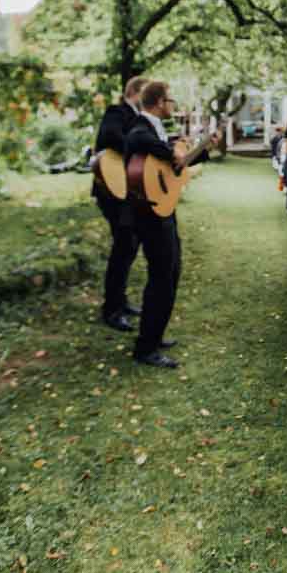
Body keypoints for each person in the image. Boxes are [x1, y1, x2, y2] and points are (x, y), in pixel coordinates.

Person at [123, 80, 187, 369]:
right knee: (161, 277)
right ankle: (145, 348)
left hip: (164, 210)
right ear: (160, 102)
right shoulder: (141, 127)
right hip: (148, 214)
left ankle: (155, 333)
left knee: (171, 272)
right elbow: (136, 140)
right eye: (170, 99)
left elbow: (172, 166)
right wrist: (169, 151)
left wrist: (192, 151)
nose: (172, 104)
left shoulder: (157, 130)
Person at [92, 74, 146, 331]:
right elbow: (110, 135)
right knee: (124, 245)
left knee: (129, 245)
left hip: (126, 190)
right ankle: (111, 310)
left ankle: (120, 301)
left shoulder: (137, 116)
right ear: (136, 91)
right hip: (110, 191)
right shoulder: (117, 111)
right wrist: (136, 145)